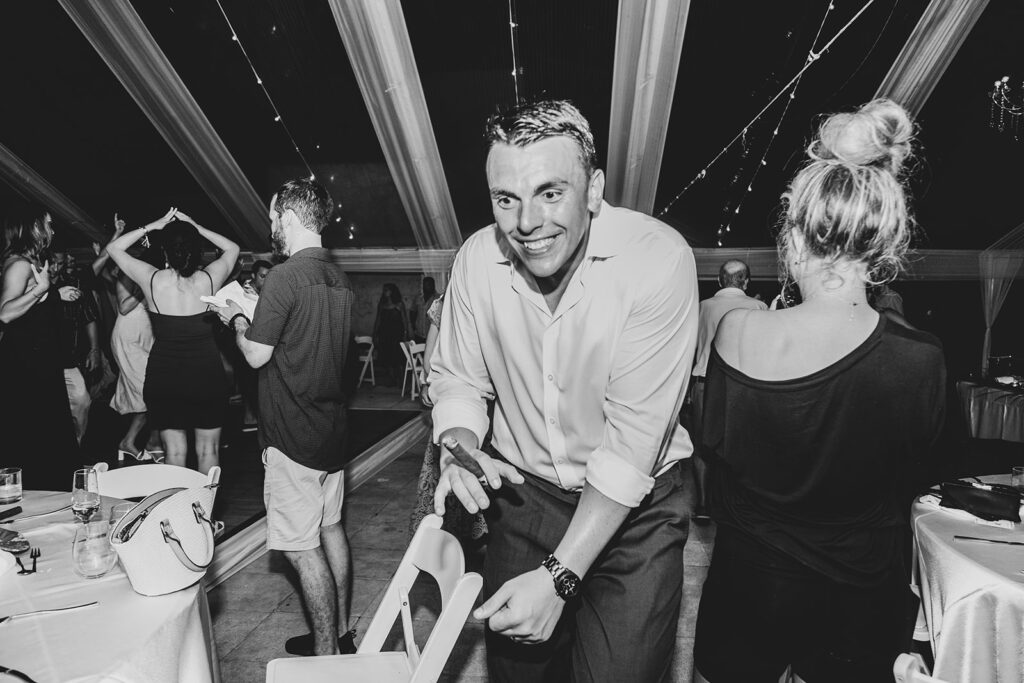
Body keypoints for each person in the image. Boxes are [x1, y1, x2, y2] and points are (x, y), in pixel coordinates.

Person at [429, 100, 698, 682]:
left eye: (551, 193)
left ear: (594, 189)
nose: (526, 223)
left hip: (637, 510)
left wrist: (559, 577)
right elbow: (457, 377)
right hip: (526, 498)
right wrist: (460, 447)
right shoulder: (477, 260)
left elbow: (630, 454)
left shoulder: (657, 259)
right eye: (506, 199)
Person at [692, 99, 946, 682]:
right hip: (858, 603)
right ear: (887, 244)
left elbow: (715, 448)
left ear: (793, 234)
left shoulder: (736, 331)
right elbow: (916, 476)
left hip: (747, 591)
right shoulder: (921, 359)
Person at [215, 179, 356, 657]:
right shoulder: (339, 278)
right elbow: (309, 342)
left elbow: (255, 355)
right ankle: (339, 633)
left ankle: (326, 656)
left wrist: (236, 316)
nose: (271, 225)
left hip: (293, 437)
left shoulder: (283, 277)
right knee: (331, 529)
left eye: (274, 217)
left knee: (299, 547)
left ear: (291, 219)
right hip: (332, 435)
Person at [106, 208, 239, 474]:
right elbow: (232, 248)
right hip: (206, 375)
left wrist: (153, 225)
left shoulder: (152, 279)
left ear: (165, 252)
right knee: (208, 451)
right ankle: (205, 515)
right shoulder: (209, 279)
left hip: (165, 378)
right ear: (197, 249)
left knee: (175, 453)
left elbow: (114, 249)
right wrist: (196, 226)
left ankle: (178, 515)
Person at [0, 206, 79, 490]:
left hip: (39, 360)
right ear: (32, 227)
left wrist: (51, 292)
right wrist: (40, 289)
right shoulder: (20, 264)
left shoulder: (29, 262)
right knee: (35, 432)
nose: (53, 230)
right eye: (48, 224)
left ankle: (47, 497)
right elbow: (5, 312)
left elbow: (33, 308)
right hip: (25, 363)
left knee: (44, 433)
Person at [689, 259, 767, 524]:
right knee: (740, 446)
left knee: (701, 447)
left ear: (720, 281)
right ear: (745, 282)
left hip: (703, 383)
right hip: (743, 385)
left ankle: (702, 505)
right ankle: (733, 506)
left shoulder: (702, 307)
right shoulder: (759, 307)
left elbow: (689, 350)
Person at [408, 290, 487, 542]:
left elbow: (430, 359)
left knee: (454, 470)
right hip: (476, 404)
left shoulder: (446, 300)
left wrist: (426, 382)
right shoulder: (452, 300)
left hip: (464, 402)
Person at [49, 241, 103, 445]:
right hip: (42, 359)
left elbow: (89, 317)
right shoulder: (33, 286)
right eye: (52, 263)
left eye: (60, 263)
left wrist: (94, 350)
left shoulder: (74, 283)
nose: (55, 268)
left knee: (82, 400)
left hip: (68, 359)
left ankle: (75, 445)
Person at [372, 282, 410, 386]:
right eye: (384, 290)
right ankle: (392, 378)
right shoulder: (382, 305)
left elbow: (404, 320)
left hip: (397, 335)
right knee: (387, 357)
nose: (385, 292)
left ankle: (401, 380)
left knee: (398, 358)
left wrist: (406, 333)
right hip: (384, 334)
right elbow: (378, 320)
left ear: (392, 291)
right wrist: (374, 334)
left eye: (387, 290)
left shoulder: (399, 304)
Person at [412, 275, 439, 342]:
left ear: (433, 285)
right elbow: (413, 312)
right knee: (418, 351)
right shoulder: (418, 298)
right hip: (419, 334)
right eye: (425, 284)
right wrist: (412, 326)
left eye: (429, 284)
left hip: (433, 334)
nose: (427, 286)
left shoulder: (438, 299)